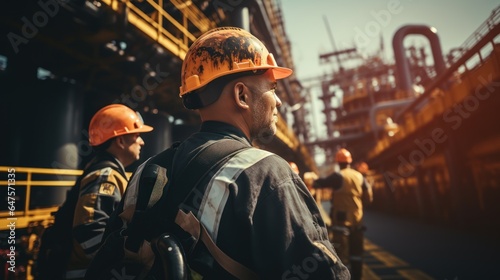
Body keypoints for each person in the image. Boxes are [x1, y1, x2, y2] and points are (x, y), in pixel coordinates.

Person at [98, 27, 349, 279]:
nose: (279, 101)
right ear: (241, 95)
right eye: (272, 88)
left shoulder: (144, 172)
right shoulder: (267, 174)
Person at [37, 104, 153, 280]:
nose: (142, 142)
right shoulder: (105, 175)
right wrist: (122, 264)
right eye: (136, 135)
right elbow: (89, 230)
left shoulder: (107, 171)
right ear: (120, 141)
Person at [313, 148, 373, 280]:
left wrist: (311, 180)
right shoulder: (359, 176)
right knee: (357, 255)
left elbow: (319, 183)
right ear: (350, 161)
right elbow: (369, 197)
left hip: (341, 223)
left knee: (343, 257)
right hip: (357, 222)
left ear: (338, 163)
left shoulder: (338, 176)